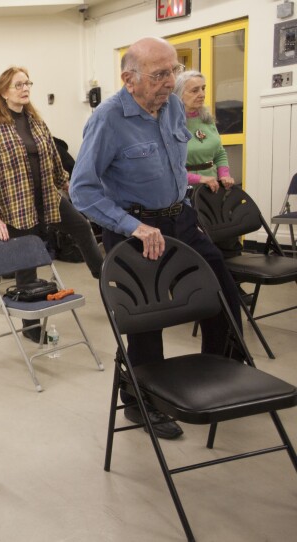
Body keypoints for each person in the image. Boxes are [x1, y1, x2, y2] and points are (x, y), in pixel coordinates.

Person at [69, 37, 244, 440]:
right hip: (135, 231)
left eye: (174, 70)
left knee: (223, 299)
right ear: (129, 78)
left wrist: (187, 211)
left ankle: (218, 378)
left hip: (181, 221)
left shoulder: (174, 109)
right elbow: (83, 190)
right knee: (146, 324)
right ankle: (140, 403)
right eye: (160, 74)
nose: (170, 81)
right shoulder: (108, 119)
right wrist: (135, 227)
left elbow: (174, 167)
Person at [0, 66, 103, 343]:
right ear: (3, 92)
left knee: (81, 226)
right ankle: (31, 327)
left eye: (27, 83)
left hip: (47, 195)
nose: (25, 89)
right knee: (27, 263)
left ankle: (103, 276)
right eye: (18, 85)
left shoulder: (36, 122)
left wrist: (66, 183)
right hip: (16, 204)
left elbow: (53, 156)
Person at [173, 71, 236, 194]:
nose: (202, 94)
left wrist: (224, 175)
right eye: (195, 90)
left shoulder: (207, 120)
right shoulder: (171, 124)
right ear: (179, 94)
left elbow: (219, 153)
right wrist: (199, 179)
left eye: (203, 88)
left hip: (212, 189)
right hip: (184, 192)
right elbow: (168, 168)